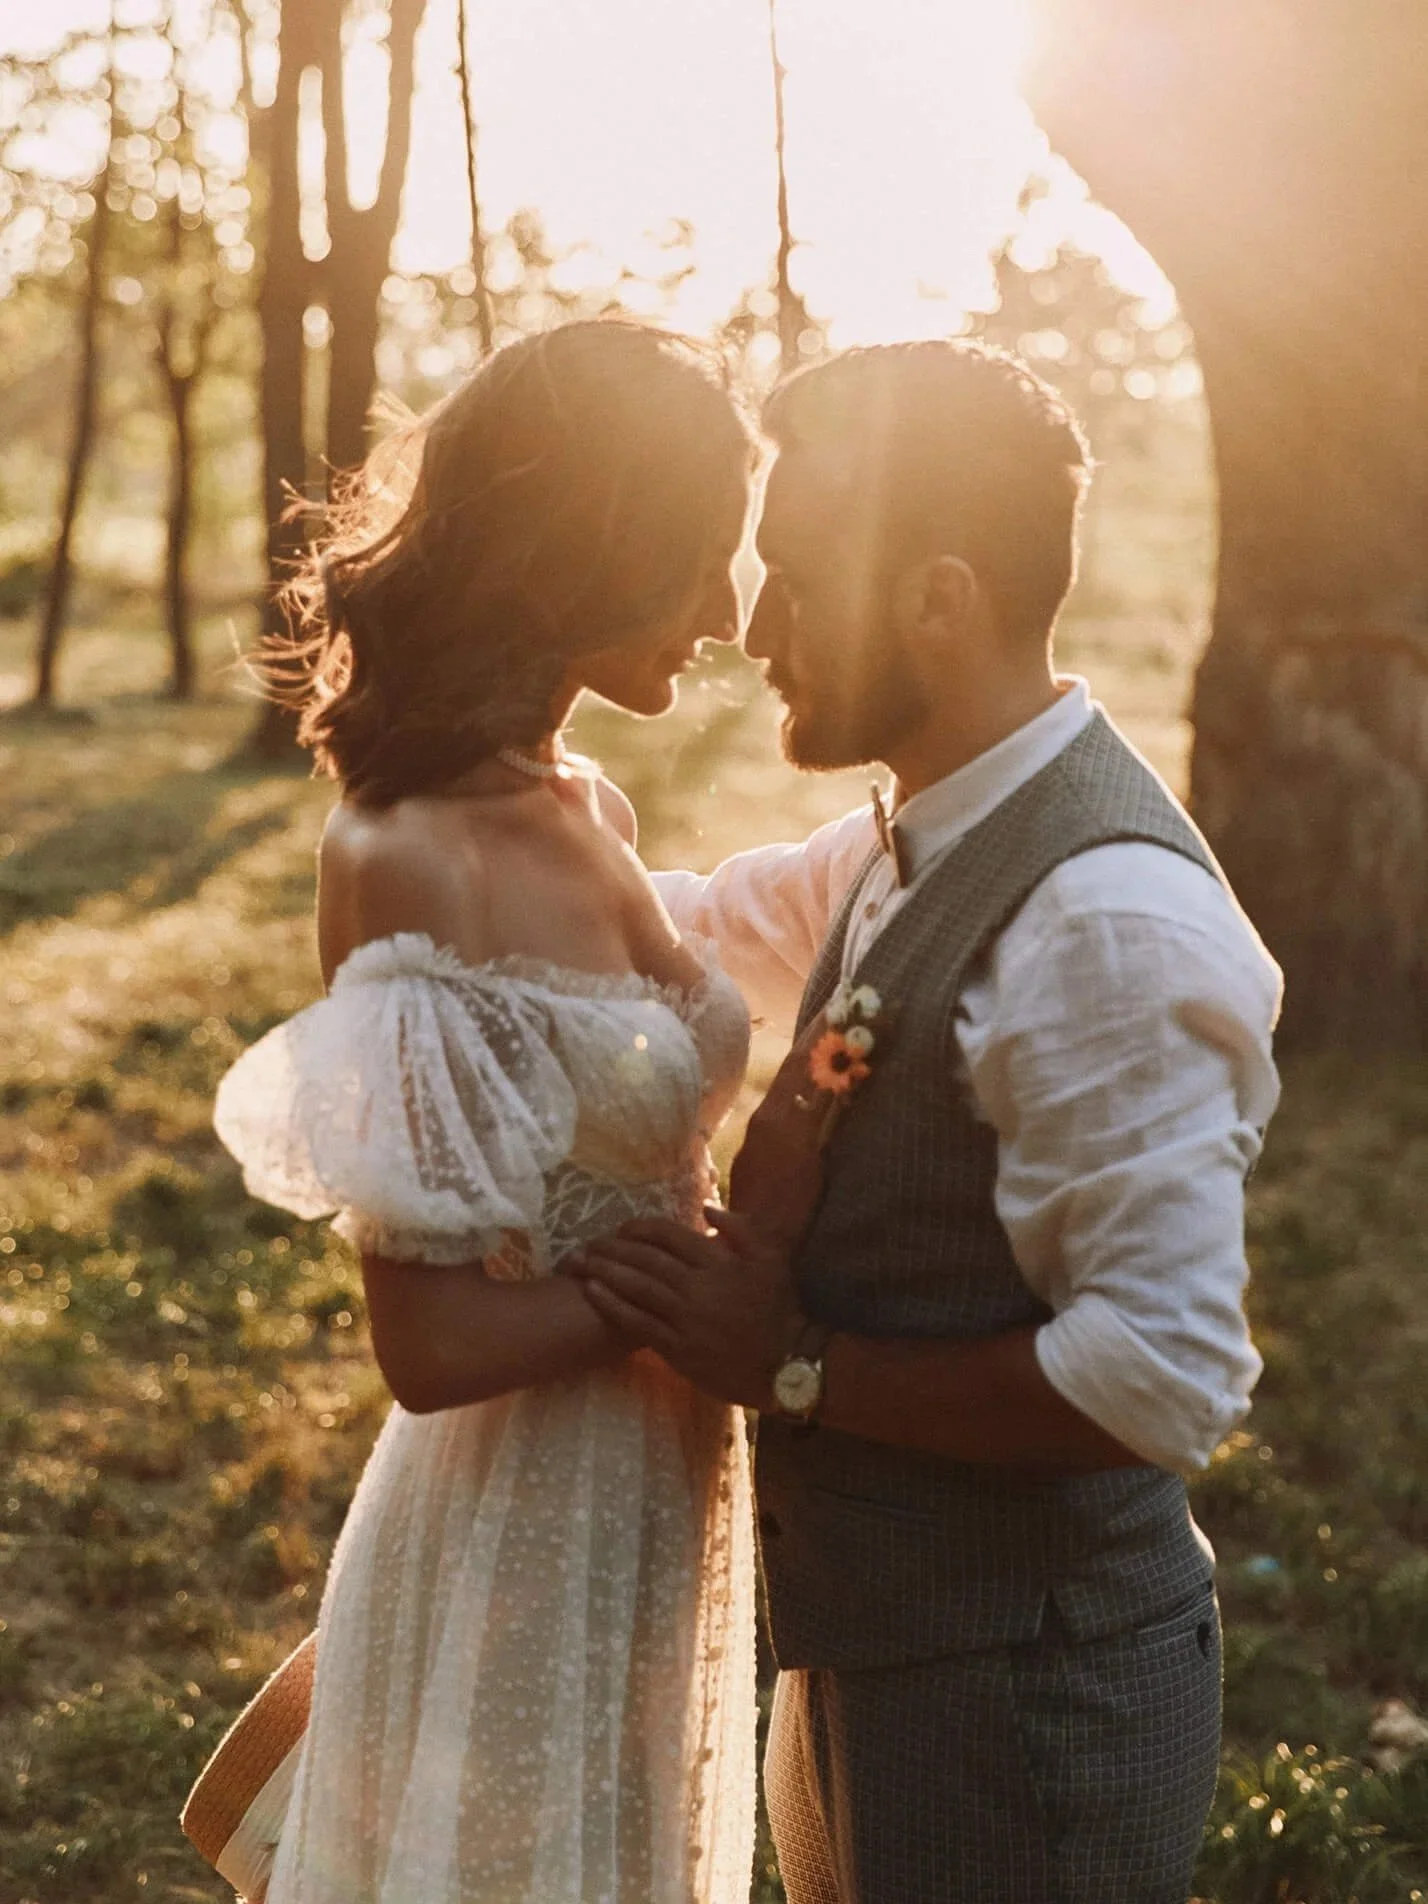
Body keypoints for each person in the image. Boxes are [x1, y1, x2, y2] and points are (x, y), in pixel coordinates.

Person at [572, 340, 1284, 1903]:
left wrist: (792, 1370)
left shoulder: (1104, 925)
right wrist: (484, 800)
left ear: (938, 600)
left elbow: (1160, 1380)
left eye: (797, 580)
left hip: (1025, 1714)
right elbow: (675, 930)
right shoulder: (911, 829)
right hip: (876, 1653)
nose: (753, 632)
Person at [211, 319, 766, 1904]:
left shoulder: (590, 803)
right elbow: (430, 1347)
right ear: (585, 546)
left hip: (664, 1491)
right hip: (524, 1520)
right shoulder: (404, 856)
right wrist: (675, 1293)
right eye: (696, 558)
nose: (728, 613)